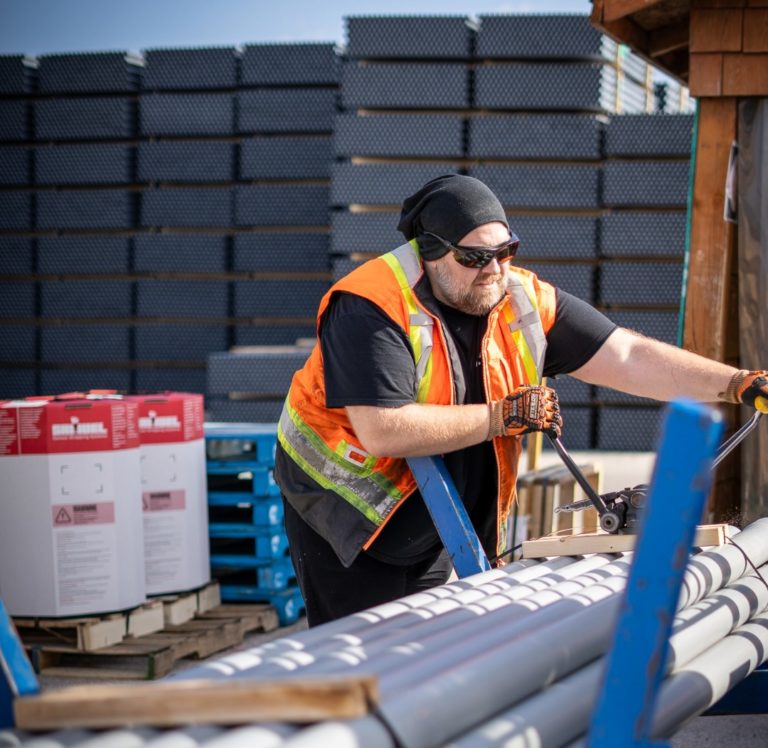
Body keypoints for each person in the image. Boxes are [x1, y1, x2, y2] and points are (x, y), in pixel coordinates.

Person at [275, 174, 768, 627]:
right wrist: (503, 415)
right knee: (359, 654)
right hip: (347, 509)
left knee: (415, 648)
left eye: (506, 251)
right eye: (474, 258)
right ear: (429, 251)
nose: (494, 270)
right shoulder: (370, 305)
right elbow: (385, 429)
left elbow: (627, 354)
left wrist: (737, 384)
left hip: (432, 507)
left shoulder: (520, 296)